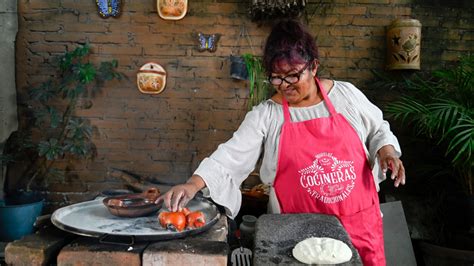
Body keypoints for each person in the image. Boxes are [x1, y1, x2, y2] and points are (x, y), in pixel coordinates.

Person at [157, 19, 405, 266]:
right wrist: (192, 184)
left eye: (293, 76)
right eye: (276, 78)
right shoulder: (267, 115)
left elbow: (377, 128)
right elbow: (231, 156)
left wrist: (387, 151)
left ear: (314, 66)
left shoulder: (345, 95)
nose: (285, 86)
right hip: (293, 234)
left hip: (359, 225)